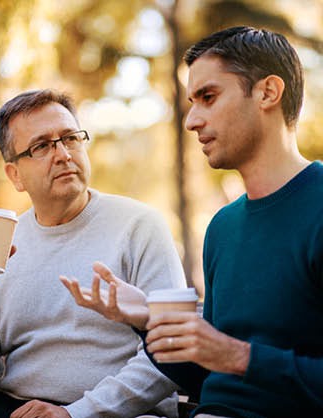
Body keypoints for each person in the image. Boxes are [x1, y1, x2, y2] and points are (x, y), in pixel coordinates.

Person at [63, 26, 323, 417]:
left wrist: (238, 356)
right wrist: (149, 319)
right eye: (192, 102)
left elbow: (234, 360)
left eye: (208, 97)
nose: (191, 121)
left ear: (268, 92)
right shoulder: (222, 228)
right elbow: (208, 378)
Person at [0, 90, 182, 418]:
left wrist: (75, 413)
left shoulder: (140, 225)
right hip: (17, 406)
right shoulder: (2, 244)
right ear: (15, 175)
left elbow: (171, 350)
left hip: (119, 412)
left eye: (70, 138)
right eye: (41, 146)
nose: (63, 154)